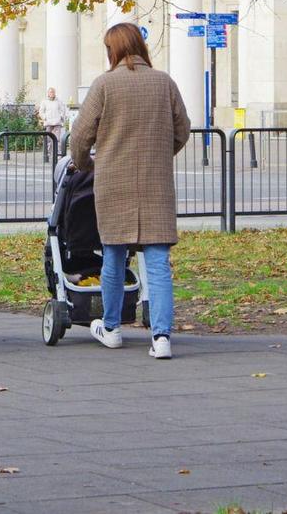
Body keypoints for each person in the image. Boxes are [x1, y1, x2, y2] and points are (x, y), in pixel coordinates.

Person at [69, 23, 190, 360]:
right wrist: (162, 154)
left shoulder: (105, 85)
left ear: (114, 50)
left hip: (112, 182)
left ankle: (112, 328)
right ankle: (162, 336)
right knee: (158, 261)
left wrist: (86, 164)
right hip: (156, 182)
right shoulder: (164, 83)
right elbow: (183, 130)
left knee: (113, 256)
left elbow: (80, 138)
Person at [38, 87, 68, 152]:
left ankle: (57, 154)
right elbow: (41, 111)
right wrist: (45, 117)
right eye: (51, 92)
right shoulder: (44, 101)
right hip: (48, 123)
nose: (52, 93)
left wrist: (60, 117)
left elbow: (62, 110)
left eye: (53, 92)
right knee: (48, 139)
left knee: (57, 139)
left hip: (57, 123)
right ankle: (48, 154)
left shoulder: (58, 101)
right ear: (48, 93)